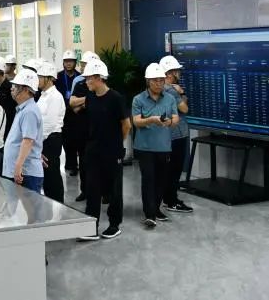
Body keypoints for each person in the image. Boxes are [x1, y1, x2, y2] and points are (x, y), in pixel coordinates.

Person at [78, 60, 131, 241]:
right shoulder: (90, 98)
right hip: (93, 151)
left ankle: (114, 224)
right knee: (92, 189)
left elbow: (126, 125)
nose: (86, 82)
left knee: (114, 190)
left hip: (112, 152)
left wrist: (116, 143)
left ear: (99, 78)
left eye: (89, 78)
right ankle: (91, 226)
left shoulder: (116, 98)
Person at [132, 63, 179, 228]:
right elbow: (136, 121)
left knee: (161, 180)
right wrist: (151, 120)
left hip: (163, 147)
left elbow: (176, 118)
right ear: (148, 81)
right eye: (155, 81)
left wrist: (169, 122)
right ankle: (149, 214)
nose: (159, 84)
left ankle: (156, 209)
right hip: (144, 147)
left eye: (161, 80)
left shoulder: (170, 98)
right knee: (148, 179)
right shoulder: (138, 99)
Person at [160, 55, 193, 213]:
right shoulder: (171, 91)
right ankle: (171, 201)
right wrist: (182, 93)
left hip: (167, 135)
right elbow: (184, 108)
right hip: (177, 134)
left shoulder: (159, 89)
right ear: (169, 73)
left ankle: (167, 198)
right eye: (176, 71)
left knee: (169, 169)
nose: (179, 73)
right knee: (174, 169)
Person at [2, 69, 44, 192]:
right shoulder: (23, 109)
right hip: (22, 171)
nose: (12, 89)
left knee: (29, 205)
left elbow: (28, 141)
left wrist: (18, 167)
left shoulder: (29, 111)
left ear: (26, 89)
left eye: (15, 86)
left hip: (26, 173)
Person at [69, 51, 101, 202]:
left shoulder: (103, 84)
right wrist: (88, 99)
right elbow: (73, 104)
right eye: (82, 65)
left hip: (99, 129)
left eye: (85, 65)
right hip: (82, 129)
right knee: (83, 161)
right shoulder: (80, 83)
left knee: (100, 162)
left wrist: (83, 103)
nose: (82, 68)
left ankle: (104, 192)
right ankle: (85, 190)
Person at [37, 62, 66, 203]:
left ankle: (58, 204)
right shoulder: (43, 95)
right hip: (43, 139)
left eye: (40, 77)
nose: (37, 80)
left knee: (52, 174)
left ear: (49, 79)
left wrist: (37, 142)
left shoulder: (55, 96)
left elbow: (49, 123)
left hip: (50, 139)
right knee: (47, 176)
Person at [56, 49, 80, 176]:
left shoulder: (80, 77)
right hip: (62, 113)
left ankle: (74, 165)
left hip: (76, 113)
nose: (68, 63)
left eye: (71, 61)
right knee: (66, 140)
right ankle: (69, 163)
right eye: (66, 61)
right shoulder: (58, 77)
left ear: (75, 62)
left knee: (75, 139)